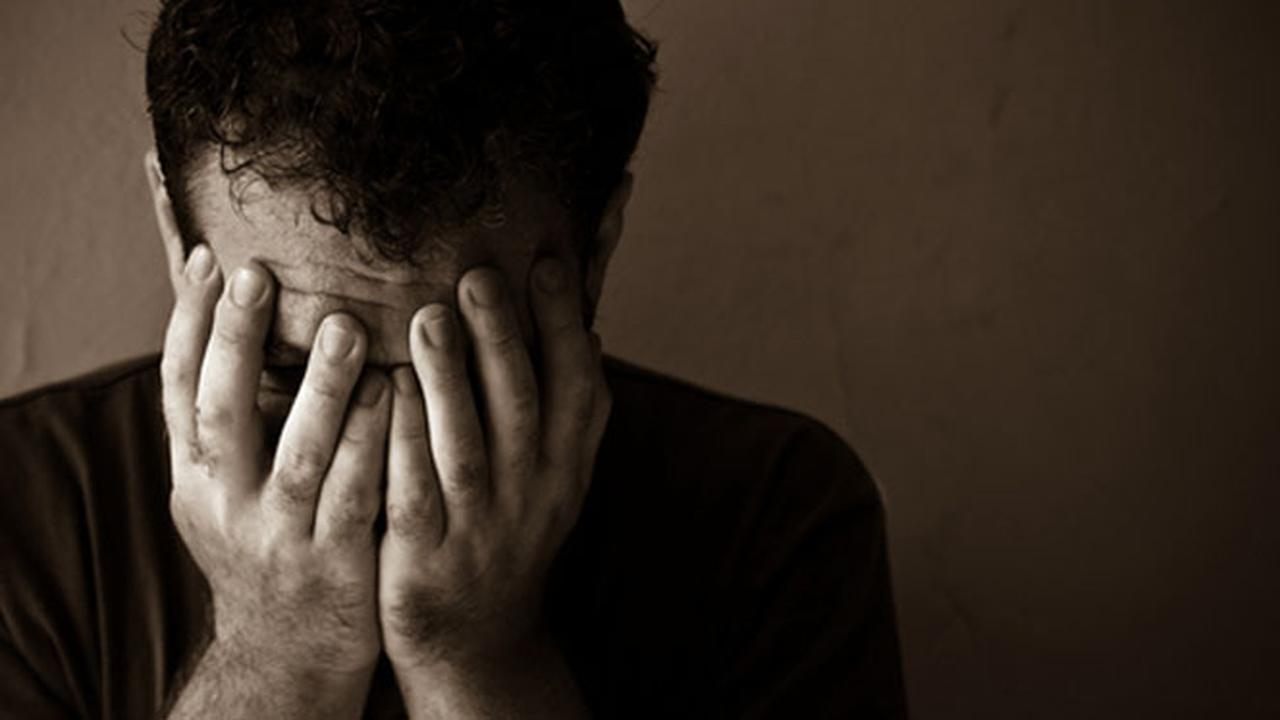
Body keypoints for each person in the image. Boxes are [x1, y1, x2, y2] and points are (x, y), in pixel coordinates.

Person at [0, 1, 907, 717]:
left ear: (595, 253)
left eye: (459, 370)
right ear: (176, 235)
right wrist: (275, 654)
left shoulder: (776, 521)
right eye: (292, 370)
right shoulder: (22, 511)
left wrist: (477, 662)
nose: (374, 468)